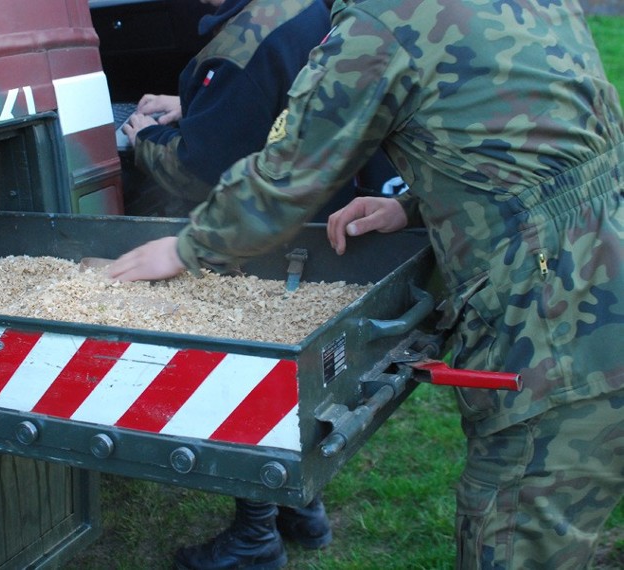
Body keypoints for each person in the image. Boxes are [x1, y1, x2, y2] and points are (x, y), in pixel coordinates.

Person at [109, 0, 624, 568]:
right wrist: (414, 204)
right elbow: (544, 138)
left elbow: (291, 170)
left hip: (559, 331)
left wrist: (188, 246)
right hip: (603, 281)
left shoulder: (382, 21)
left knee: (516, 538)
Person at [121, 0, 334, 217]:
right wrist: (206, 101)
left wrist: (145, 137)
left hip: (271, 231)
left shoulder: (240, 49)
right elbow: (277, 94)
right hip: (320, 197)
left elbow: (199, 175)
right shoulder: (303, 5)